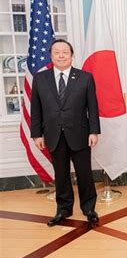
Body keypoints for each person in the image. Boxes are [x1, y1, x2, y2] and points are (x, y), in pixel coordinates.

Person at [30, 39, 100, 227]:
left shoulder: (85, 77)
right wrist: (36, 134)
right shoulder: (40, 78)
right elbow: (35, 109)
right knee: (60, 175)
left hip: (80, 134)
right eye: (57, 52)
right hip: (53, 134)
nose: (61, 55)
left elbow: (92, 108)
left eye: (65, 52)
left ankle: (89, 209)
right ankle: (63, 209)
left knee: (84, 173)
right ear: (51, 56)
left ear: (71, 55)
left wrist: (94, 131)